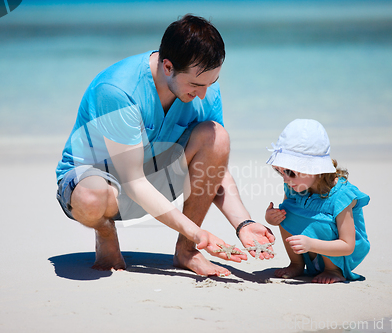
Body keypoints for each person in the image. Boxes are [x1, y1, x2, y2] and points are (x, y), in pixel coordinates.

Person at [55, 14, 275, 277]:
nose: (204, 94)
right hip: (101, 188)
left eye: (211, 83)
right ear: (168, 67)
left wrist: (243, 223)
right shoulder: (118, 90)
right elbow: (134, 183)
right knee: (91, 197)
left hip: (154, 182)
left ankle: (186, 251)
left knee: (217, 136)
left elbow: (214, 170)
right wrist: (198, 232)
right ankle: (105, 231)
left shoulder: (204, 89)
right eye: (195, 84)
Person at [264, 119, 370, 283]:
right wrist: (272, 218)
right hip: (308, 249)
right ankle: (296, 263)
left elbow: (348, 245)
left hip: (339, 256)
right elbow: (287, 214)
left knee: (322, 222)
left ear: (314, 169)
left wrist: (311, 244)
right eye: (280, 172)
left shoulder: (341, 195)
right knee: (287, 212)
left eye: (290, 172)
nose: (285, 180)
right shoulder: (295, 187)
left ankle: (333, 270)